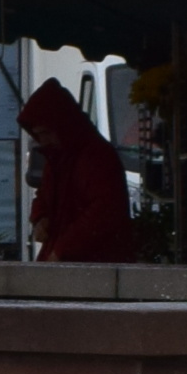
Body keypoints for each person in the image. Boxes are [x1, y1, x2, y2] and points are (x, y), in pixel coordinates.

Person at [22, 77, 135, 264]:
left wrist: (62, 249)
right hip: (69, 262)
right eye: (38, 135)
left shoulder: (97, 157)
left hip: (97, 265)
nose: (43, 141)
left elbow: (103, 213)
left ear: (63, 126)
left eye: (46, 133)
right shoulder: (57, 157)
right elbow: (44, 195)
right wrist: (40, 217)